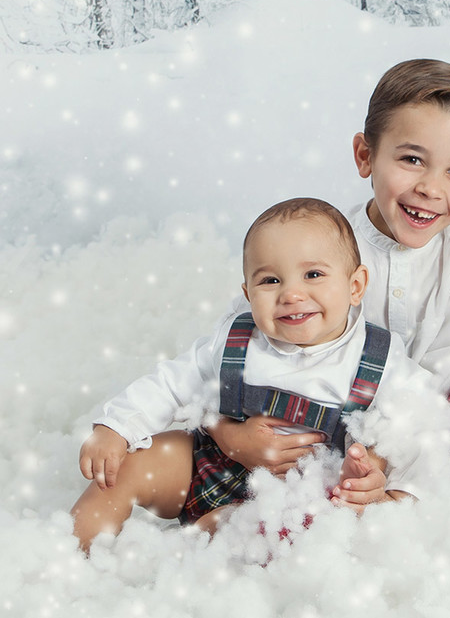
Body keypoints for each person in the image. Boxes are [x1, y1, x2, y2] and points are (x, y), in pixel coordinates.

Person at [205, 59, 450, 508]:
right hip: (329, 431)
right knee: (299, 490)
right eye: (412, 159)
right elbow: (229, 346)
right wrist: (229, 434)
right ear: (365, 156)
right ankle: (414, 504)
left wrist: (390, 450)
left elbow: (439, 379)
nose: (430, 188)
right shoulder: (319, 244)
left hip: (432, 425)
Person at [71, 198, 423, 552]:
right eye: (270, 280)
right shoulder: (237, 338)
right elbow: (171, 383)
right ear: (248, 294)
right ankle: (71, 553)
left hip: (298, 498)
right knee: (131, 466)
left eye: (313, 274)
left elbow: (416, 433)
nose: (291, 294)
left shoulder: (379, 360)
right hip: (214, 464)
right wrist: (115, 427)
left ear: (355, 285)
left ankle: (191, 550)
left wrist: (386, 492)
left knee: (282, 528)